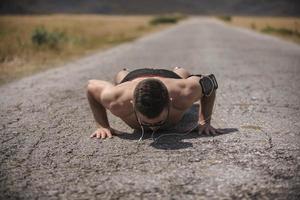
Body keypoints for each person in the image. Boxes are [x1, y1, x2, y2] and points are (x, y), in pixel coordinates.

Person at [86, 67, 223, 139]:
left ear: (170, 102)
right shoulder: (116, 100)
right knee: (121, 76)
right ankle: (123, 73)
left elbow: (208, 82)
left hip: (169, 79)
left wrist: (204, 121)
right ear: (132, 104)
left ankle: (180, 70)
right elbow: (91, 86)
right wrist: (102, 125)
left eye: (159, 122)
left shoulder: (184, 92)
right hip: (133, 78)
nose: (153, 129)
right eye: (146, 123)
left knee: (181, 74)